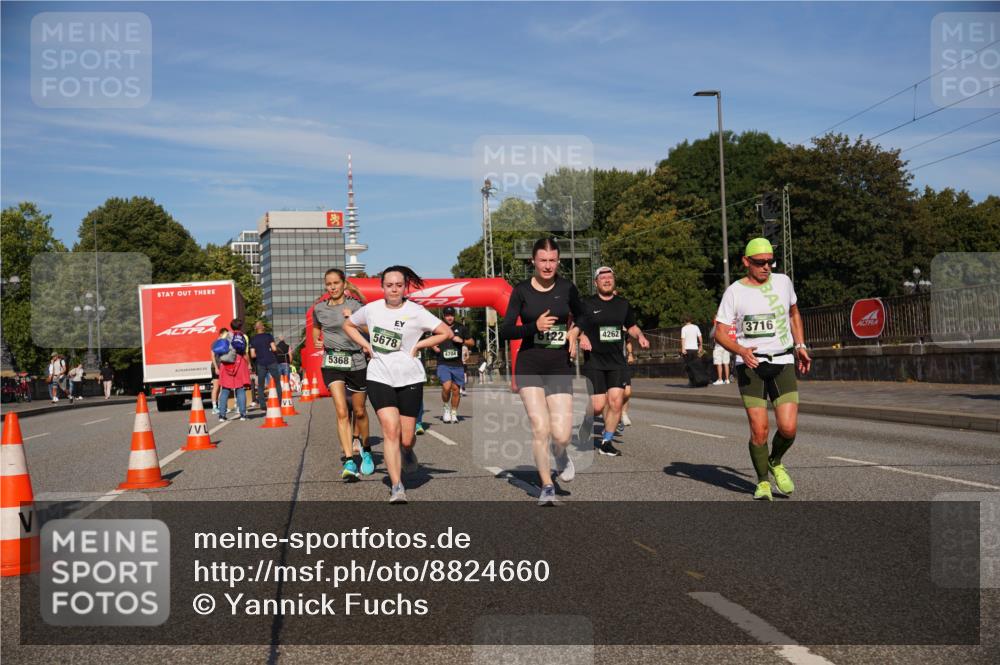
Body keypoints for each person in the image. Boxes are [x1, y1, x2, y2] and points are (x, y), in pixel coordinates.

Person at [714, 238, 812, 501]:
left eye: (770, 261)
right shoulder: (734, 292)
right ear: (746, 262)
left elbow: (793, 313)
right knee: (759, 430)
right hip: (751, 366)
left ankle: (775, 460)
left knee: (788, 428)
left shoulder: (783, 282)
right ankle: (762, 482)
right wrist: (740, 351)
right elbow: (720, 333)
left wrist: (800, 344)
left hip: (782, 361)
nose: (766, 267)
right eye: (760, 262)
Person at [344, 266, 451, 504]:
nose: (394, 289)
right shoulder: (371, 310)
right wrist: (367, 345)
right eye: (389, 285)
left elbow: (445, 332)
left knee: (405, 438)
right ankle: (397, 486)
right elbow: (349, 325)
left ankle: (407, 450)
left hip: (410, 378)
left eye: (398, 285)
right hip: (379, 376)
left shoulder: (416, 311)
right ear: (382, 287)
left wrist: (419, 346)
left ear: (405, 288)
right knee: (390, 430)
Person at [500, 238, 584, 506]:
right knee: (540, 427)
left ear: (558, 261)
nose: (548, 265)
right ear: (533, 262)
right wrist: (534, 326)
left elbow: (584, 316)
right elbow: (506, 330)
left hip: (559, 365)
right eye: (543, 260)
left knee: (561, 435)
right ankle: (547, 485)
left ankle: (560, 453)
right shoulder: (521, 291)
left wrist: (573, 331)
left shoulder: (567, 288)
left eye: (552, 260)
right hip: (530, 364)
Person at [571, 266, 649, 457]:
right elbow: (574, 326)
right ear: (596, 282)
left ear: (614, 280)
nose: (607, 280)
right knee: (598, 406)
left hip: (616, 361)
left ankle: (606, 441)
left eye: (610, 277)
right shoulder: (587, 303)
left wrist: (639, 336)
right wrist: (582, 337)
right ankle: (588, 421)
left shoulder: (623, 304)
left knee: (616, 402)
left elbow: (631, 326)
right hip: (595, 361)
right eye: (602, 278)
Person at [313, 268, 373, 481]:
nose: (332, 287)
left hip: (356, 360)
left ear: (343, 283)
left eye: (336, 283)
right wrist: (316, 339)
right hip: (332, 362)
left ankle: (365, 448)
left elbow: (370, 329)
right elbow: (316, 326)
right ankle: (349, 460)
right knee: (341, 411)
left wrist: (354, 319)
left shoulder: (356, 305)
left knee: (359, 412)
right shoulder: (319, 308)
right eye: (328, 284)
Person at [433, 306, 472, 423]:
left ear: (454, 315)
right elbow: (431, 340)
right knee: (446, 387)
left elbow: (472, 342)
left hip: (457, 364)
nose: (449, 317)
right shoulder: (438, 328)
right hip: (443, 363)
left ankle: (454, 412)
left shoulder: (461, 328)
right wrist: (433, 346)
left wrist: (463, 341)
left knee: (456, 389)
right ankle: (446, 408)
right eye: (447, 315)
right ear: (444, 316)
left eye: (451, 315)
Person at [218, 318, 251, 421]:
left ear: (231, 326)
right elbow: (244, 353)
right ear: (240, 326)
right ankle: (243, 414)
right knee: (240, 389)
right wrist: (249, 364)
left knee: (225, 389)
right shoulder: (243, 337)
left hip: (226, 363)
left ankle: (222, 415)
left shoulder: (226, 336)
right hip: (239, 363)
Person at [250, 320, 282, 410]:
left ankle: (263, 405)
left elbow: (252, 355)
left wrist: (259, 355)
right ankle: (279, 402)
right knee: (277, 382)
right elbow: (274, 348)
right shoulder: (268, 336)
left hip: (260, 363)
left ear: (256, 329)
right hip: (271, 361)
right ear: (263, 327)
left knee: (260, 385)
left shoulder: (253, 339)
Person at [710, 318, 735, 385]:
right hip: (726, 345)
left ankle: (720, 379)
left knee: (719, 363)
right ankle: (727, 379)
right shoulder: (727, 326)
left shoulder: (717, 325)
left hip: (718, 346)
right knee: (726, 363)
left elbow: (711, 335)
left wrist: (715, 325)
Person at [679, 315, 703, 386]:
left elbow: (683, 339)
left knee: (689, 366)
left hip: (687, 350)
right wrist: (701, 346)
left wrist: (683, 348)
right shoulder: (696, 327)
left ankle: (691, 382)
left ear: (684, 321)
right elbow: (700, 337)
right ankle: (698, 381)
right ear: (691, 320)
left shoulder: (684, 328)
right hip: (695, 349)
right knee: (695, 366)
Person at [211, 327, 229, 415]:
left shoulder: (225, 342)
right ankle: (214, 407)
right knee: (216, 386)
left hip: (223, 367)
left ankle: (222, 406)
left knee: (223, 387)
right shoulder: (215, 343)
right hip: (216, 367)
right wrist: (216, 368)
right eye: (225, 334)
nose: (226, 336)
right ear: (221, 334)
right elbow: (212, 356)